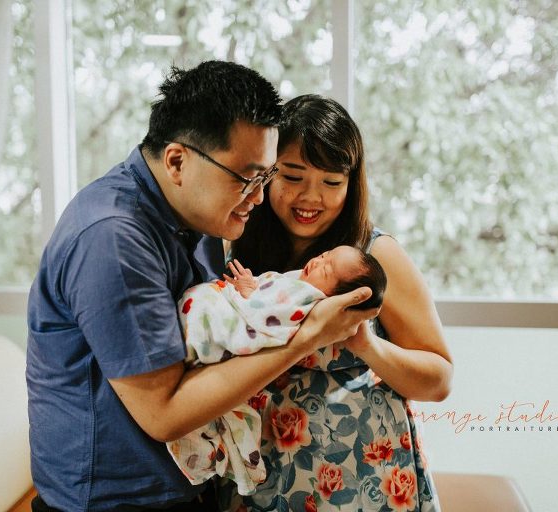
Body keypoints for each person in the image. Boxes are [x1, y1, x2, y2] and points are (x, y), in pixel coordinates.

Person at [26, 62, 379, 512]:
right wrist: (306, 336)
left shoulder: (201, 214)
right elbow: (164, 413)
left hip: (187, 485)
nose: (257, 197)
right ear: (177, 160)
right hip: (117, 502)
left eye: (266, 177)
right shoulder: (112, 237)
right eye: (247, 177)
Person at [219, 94, 454, 512]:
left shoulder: (373, 255)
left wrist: (367, 345)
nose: (311, 198)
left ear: (352, 182)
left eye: (332, 182)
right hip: (264, 481)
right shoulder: (238, 250)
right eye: (292, 177)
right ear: (266, 172)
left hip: (365, 481)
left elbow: (438, 380)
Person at [168, 247, 386, 495]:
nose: (318, 262)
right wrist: (252, 287)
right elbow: (268, 299)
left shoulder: (309, 300)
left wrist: (250, 295)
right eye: (325, 255)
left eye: (327, 269)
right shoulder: (294, 282)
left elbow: (268, 318)